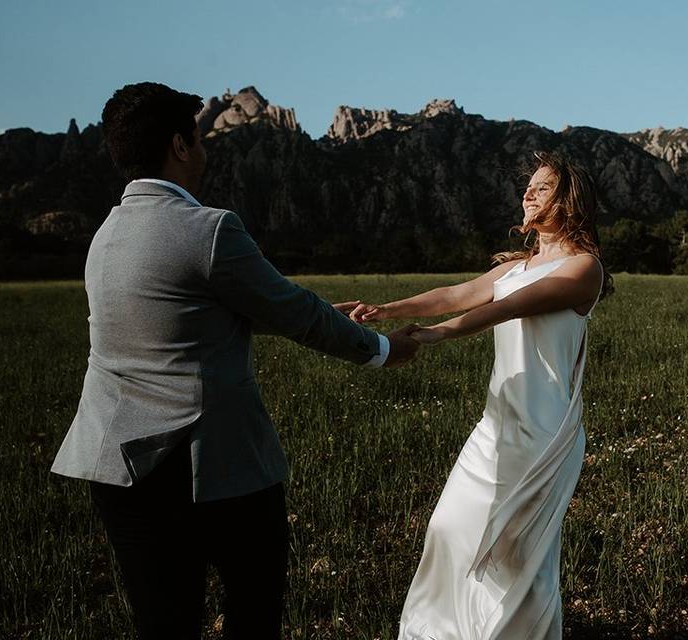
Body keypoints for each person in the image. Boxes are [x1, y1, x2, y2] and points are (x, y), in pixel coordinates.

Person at [49, 82, 419, 640]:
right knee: (254, 609)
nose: (203, 150)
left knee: (164, 622)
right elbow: (298, 314)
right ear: (179, 145)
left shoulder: (105, 235)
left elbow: (186, 318)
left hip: (118, 466)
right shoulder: (208, 229)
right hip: (209, 468)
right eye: (197, 139)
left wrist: (307, 309)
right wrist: (384, 350)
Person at [349, 152, 611, 639]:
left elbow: (513, 307)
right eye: (528, 186)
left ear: (569, 200)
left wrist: (438, 334)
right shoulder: (517, 264)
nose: (528, 193)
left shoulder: (584, 269)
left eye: (542, 187)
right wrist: (385, 309)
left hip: (542, 432)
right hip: (495, 425)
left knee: (516, 557)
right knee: (449, 529)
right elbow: (455, 293)